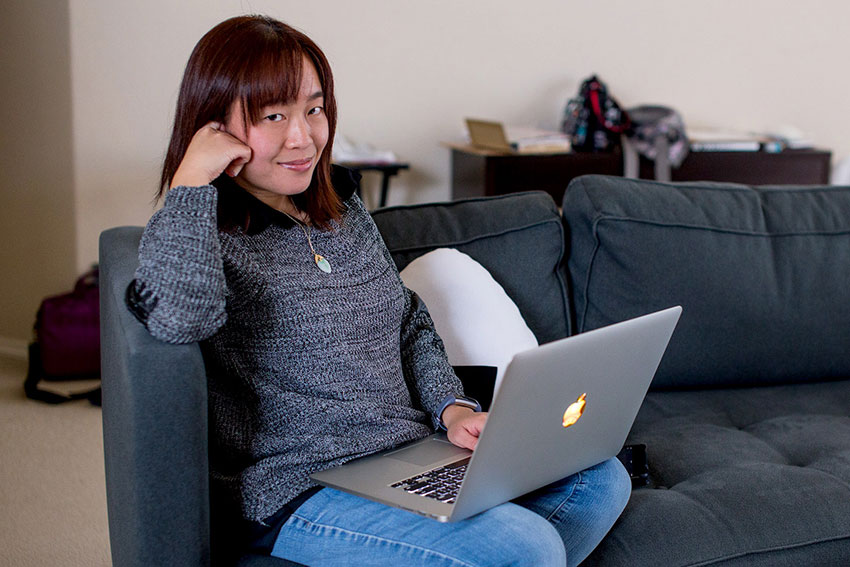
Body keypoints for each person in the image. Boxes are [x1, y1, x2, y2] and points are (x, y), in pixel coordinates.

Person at [128, 14, 631, 567]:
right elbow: (178, 319)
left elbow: (406, 319)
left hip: (409, 456)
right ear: (214, 127)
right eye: (273, 116)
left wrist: (453, 408)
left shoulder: (342, 212)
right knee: (526, 546)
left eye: (313, 109)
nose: (303, 137)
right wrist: (189, 183)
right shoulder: (199, 234)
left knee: (598, 478)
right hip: (300, 487)